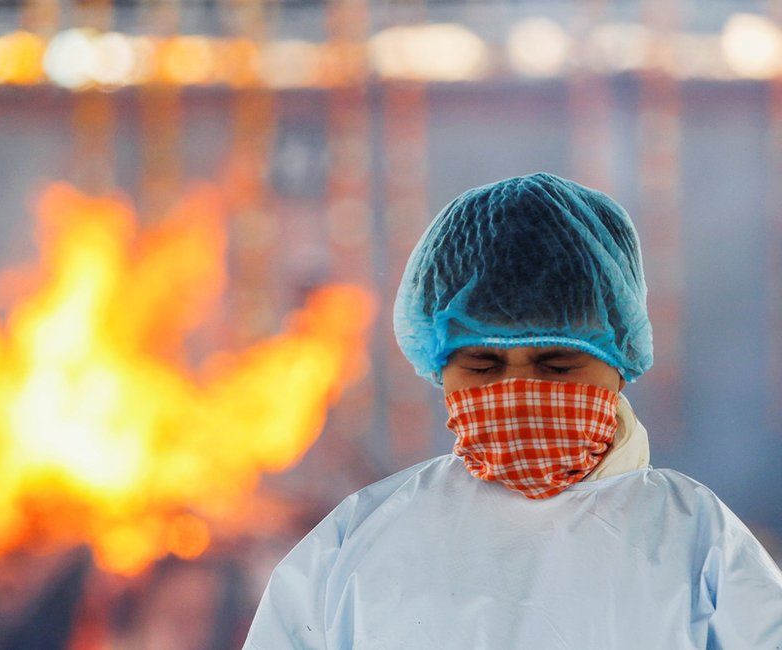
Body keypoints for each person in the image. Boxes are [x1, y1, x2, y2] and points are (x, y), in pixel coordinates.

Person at [243, 172, 782, 648]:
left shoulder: (696, 540)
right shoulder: (357, 542)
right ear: (439, 368)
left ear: (620, 362)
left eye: (557, 365)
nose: (519, 389)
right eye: (483, 366)